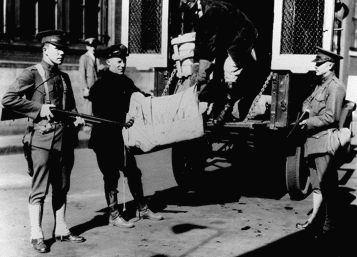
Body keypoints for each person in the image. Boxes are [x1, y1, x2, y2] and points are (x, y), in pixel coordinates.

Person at [1, 30, 86, 253]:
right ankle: (36, 234)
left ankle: (61, 229)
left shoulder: (64, 77)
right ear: (45, 49)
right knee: (40, 188)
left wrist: (76, 117)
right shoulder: (32, 74)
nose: (62, 53)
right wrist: (39, 109)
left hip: (64, 139)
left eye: (64, 50)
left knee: (62, 186)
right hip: (41, 139)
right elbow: (8, 99)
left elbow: (71, 107)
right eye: (57, 49)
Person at [88, 43, 163, 228]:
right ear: (108, 62)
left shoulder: (125, 81)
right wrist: (125, 117)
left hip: (121, 137)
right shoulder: (100, 86)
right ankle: (113, 214)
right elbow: (102, 112)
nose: (122, 64)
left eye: (124, 61)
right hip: (104, 138)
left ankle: (143, 208)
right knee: (111, 175)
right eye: (119, 61)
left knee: (133, 172)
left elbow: (137, 94)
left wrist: (150, 99)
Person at [181, 0, 259, 125]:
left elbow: (208, 43)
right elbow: (201, 41)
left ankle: (227, 108)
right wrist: (197, 65)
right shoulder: (197, 12)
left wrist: (201, 71)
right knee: (216, 71)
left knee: (230, 68)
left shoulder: (213, 10)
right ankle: (213, 107)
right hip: (226, 37)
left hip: (242, 35)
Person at [296, 47, 346, 242]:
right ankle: (314, 221)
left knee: (328, 188)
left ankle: (329, 228)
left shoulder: (335, 86)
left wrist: (308, 121)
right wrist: (306, 110)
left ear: (330, 65)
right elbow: (307, 103)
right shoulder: (320, 84)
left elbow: (331, 117)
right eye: (316, 63)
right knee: (317, 187)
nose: (316, 67)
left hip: (324, 142)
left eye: (319, 64)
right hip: (313, 143)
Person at [78, 37, 101, 116]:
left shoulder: (96, 58)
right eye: (91, 46)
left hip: (96, 86)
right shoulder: (84, 58)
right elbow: (82, 74)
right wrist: (85, 88)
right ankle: (87, 124)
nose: (93, 48)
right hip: (88, 86)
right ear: (87, 47)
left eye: (94, 46)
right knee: (88, 107)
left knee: (96, 107)